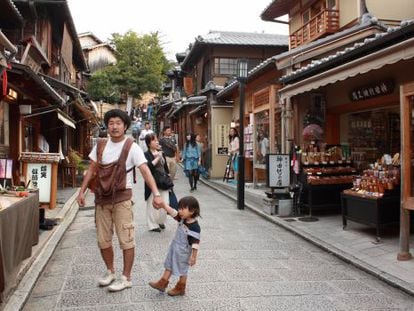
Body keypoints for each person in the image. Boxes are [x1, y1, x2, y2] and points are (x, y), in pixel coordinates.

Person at [76, 109, 164, 292]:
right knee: (103, 239)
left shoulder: (132, 146)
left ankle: (126, 277)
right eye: (111, 123)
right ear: (107, 126)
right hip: (101, 199)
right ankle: (110, 271)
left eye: (118, 123)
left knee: (126, 238)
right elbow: (91, 170)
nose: (114, 127)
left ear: (125, 126)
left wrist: (156, 193)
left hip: (122, 199)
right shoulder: (100, 145)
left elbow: (145, 170)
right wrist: (81, 192)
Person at [148, 196, 201, 296]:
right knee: (169, 264)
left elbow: (195, 243)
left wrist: (193, 256)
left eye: (182, 209)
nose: (180, 211)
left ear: (192, 210)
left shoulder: (195, 227)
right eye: (179, 208)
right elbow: (172, 212)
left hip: (183, 253)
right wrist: (163, 205)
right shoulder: (182, 219)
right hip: (174, 248)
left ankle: (181, 287)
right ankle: (162, 283)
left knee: (182, 270)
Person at [144, 133, 169, 232]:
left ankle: (160, 221)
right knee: (152, 203)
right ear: (149, 143)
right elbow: (148, 167)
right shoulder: (146, 154)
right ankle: (152, 225)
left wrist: (168, 175)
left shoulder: (161, 152)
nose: (157, 142)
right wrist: (158, 157)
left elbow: (165, 167)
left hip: (163, 182)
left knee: (165, 202)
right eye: (154, 140)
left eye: (157, 140)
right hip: (152, 182)